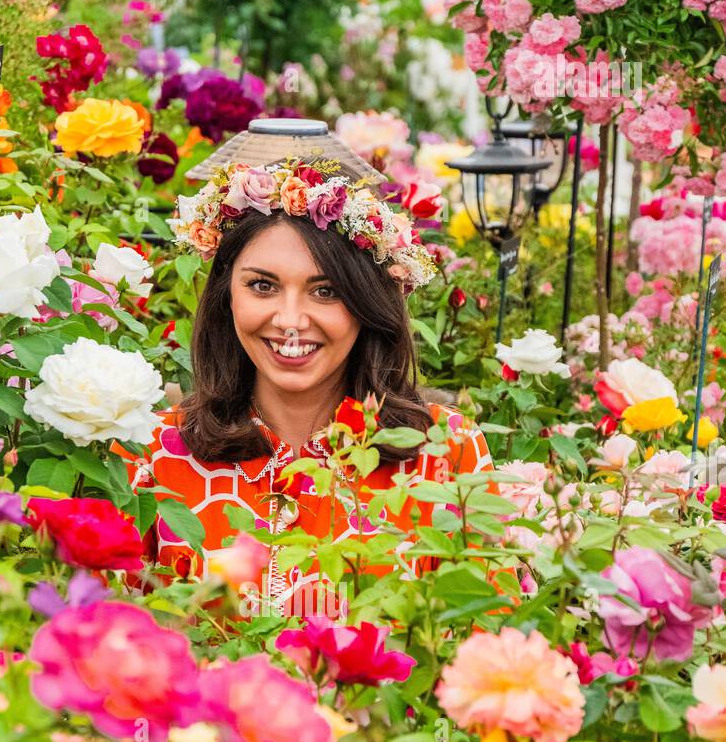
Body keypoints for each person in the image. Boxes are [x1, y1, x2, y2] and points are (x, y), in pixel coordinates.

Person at [113, 157, 495, 618]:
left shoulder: (445, 451)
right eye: (262, 286)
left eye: (325, 291)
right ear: (226, 295)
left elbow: (486, 634)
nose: (290, 320)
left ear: (367, 302)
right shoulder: (152, 452)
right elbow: (106, 632)